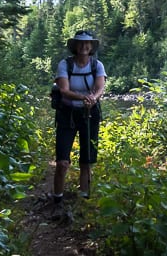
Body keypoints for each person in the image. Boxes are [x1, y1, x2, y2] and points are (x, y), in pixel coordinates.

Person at [52, 30, 106, 204]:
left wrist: (93, 99)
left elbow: (100, 88)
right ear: (75, 46)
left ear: (91, 47)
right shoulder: (65, 65)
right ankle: (57, 199)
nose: (84, 46)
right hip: (67, 114)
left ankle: (84, 200)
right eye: (80, 43)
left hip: (90, 114)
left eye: (87, 43)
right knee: (62, 162)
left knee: (86, 160)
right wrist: (84, 97)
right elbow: (64, 91)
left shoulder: (97, 65)